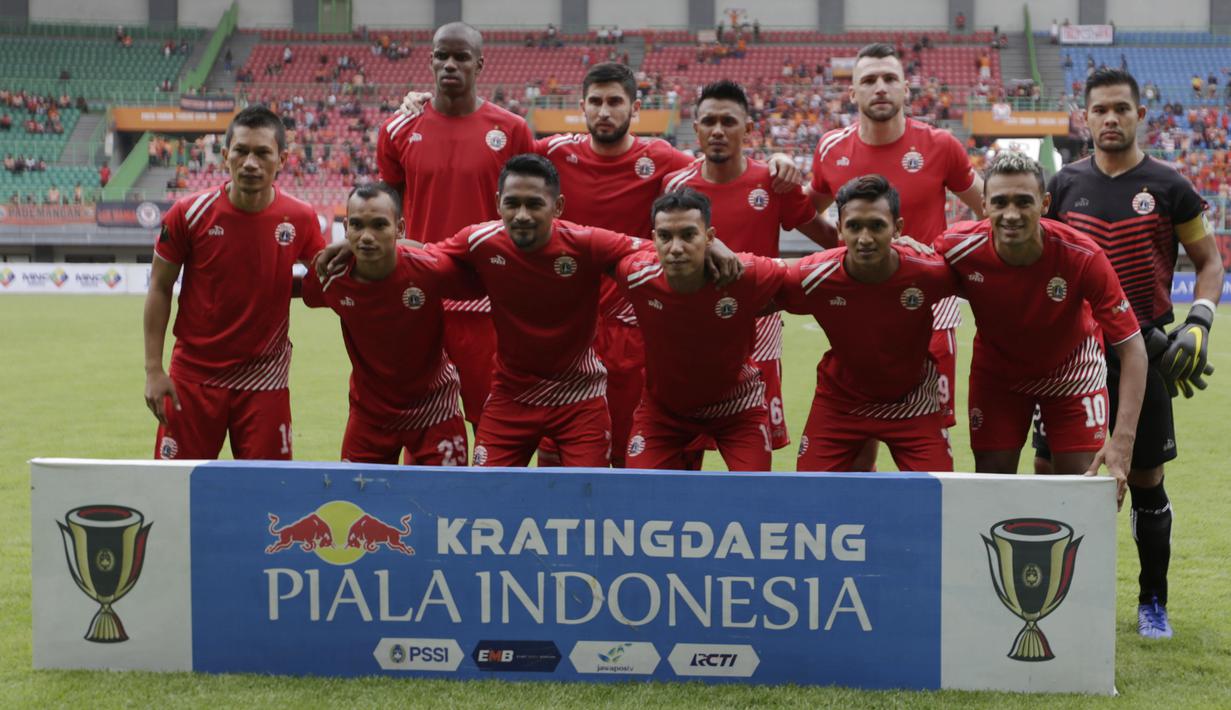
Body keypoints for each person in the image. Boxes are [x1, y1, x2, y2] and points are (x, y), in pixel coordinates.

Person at [1038, 68, 1226, 638]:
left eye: (1121, 108)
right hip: (1071, 359)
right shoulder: (1063, 185)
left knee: (1146, 477)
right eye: (1100, 110)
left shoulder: (1171, 187)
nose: (1111, 119)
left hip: (1146, 350)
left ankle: (1152, 604)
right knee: (1053, 476)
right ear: (1085, 116)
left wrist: (1199, 322)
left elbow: (1210, 262)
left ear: (1141, 114)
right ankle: (1054, 602)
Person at [808, 42, 984, 463]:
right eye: (868, 80)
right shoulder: (831, 148)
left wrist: (942, 253)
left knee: (928, 442)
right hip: (855, 304)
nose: (880, 87)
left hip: (929, 308)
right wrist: (840, 248)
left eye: (889, 79)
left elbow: (986, 211)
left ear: (906, 89)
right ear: (852, 94)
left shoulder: (940, 145)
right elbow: (803, 211)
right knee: (856, 441)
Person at [939, 151, 1147, 504]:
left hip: (1072, 371)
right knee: (990, 486)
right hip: (999, 376)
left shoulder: (1082, 255)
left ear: (1045, 203)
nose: (1011, 214)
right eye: (1000, 202)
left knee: (1082, 490)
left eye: (1024, 201)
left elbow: (1133, 349)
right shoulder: (957, 247)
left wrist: (1122, 442)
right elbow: (908, 275)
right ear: (984, 204)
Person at [143, 106, 325, 460]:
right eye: (241, 151)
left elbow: (325, 280)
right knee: (176, 492)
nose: (251, 163)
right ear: (225, 156)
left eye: (262, 153)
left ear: (282, 159)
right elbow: (160, 287)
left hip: (265, 380)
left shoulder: (301, 217)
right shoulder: (188, 213)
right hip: (194, 377)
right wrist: (153, 370)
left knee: (268, 498)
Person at [376, 23, 535, 431]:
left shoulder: (511, 130)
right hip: (421, 297)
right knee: (422, 423)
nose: (449, 64)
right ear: (429, 60)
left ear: (479, 64)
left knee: (493, 424)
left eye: (461, 57)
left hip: (489, 300)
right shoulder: (397, 130)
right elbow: (386, 211)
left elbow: (533, 215)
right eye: (441, 55)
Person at [664, 79, 835, 454]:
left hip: (760, 326)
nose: (718, 131)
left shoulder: (773, 182)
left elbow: (829, 238)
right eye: (709, 121)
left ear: (749, 129)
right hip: (693, 329)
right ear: (696, 128)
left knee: (754, 452)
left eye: (729, 121)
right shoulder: (674, 187)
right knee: (684, 451)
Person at [778, 175, 957, 472]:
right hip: (841, 401)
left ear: (897, 229)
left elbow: (986, 280)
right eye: (854, 226)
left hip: (912, 399)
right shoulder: (814, 275)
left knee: (939, 495)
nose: (864, 238)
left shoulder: (930, 271)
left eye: (877, 226)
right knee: (809, 495)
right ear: (839, 229)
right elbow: (754, 288)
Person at [302, 183, 474, 465]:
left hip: (435, 410)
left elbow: (481, 276)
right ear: (345, 227)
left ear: (400, 228)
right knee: (358, 506)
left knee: (442, 504)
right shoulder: (330, 277)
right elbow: (298, 291)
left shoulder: (430, 268)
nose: (367, 236)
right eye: (357, 225)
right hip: (370, 415)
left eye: (379, 225)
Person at [617, 189, 785, 471]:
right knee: (639, 494)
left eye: (688, 235)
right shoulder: (634, 275)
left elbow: (802, 273)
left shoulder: (745, 273)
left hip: (738, 407)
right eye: (665, 236)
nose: (676, 247)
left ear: (709, 237)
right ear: (653, 238)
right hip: (664, 411)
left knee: (756, 497)